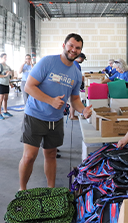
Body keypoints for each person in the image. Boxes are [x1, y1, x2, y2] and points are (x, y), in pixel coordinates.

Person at [18, 33, 92, 191]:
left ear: (80, 51)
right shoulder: (48, 62)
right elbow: (29, 86)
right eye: (71, 45)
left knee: (51, 154)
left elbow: (74, 99)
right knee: (30, 156)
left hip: (56, 120)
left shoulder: (76, 74)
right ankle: (22, 189)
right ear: (64, 45)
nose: (73, 50)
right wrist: (50, 100)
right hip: (35, 115)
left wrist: (83, 110)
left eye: (77, 48)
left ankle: (51, 189)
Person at [69, 52, 86, 120]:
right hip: (74, 84)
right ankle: (72, 115)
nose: (83, 61)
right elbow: (78, 76)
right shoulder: (77, 65)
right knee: (74, 100)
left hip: (71, 83)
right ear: (80, 58)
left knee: (71, 100)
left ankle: (71, 115)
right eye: (83, 59)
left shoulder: (72, 63)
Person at [0, 53, 14, 120]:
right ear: (1, 58)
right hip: (1, 84)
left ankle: (5, 111)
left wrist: (10, 83)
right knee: (1, 99)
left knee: (6, 98)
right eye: (4, 57)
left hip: (6, 84)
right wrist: (5, 75)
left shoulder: (7, 66)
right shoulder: (0, 65)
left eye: (6, 57)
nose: (6, 58)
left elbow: (9, 75)